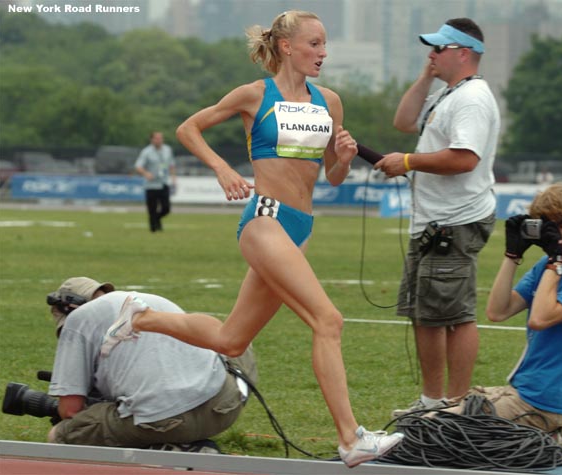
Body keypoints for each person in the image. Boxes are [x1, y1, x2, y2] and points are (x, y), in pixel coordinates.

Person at [100, 10, 403, 468]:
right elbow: (189, 129)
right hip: (265, 220)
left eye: (325, 45)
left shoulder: (330, 102)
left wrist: (341, 158)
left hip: (299, 228)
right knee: (329, 320)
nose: (323, 53)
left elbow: (334, 178)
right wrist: (223, 167)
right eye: (314, 44)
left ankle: (139, 319)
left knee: (230, 340)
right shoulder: (255, 94)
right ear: (287, 47)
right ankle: (351, 438)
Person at [374, 18, 500, 416]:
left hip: (454, 220)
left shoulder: (472, 98)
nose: (430, 54)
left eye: (438, 49)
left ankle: (456, 405)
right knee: (424, 313)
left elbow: (465, 158)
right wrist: (426, 75)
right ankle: (432, 401)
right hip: (434, 220)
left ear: (463, 53)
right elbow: (403, 121)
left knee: (454, 315)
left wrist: (408, 160)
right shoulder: (449, 93)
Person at [441, 183, 562, 442]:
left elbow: (540, 319)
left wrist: (554, 262)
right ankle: (540, 435)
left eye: (548, 223)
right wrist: (512, 255)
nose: (541, 230)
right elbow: (497, 311)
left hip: (544, 403)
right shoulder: (546, 267)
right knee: (435, 415)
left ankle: (546, 433)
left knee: (437, 427)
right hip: (521, 393)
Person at [46, 277, 257, 451]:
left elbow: (71, 411)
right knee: (237, 342)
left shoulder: (77, 320)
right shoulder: (149, 300)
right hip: (224, 408)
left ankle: (170, 448)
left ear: (66, 310)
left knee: (60, 435)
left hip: (164, 423)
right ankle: (187, 442)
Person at [135, 131, 177, 232]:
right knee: (152, 209)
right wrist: (146, 174)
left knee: (166, 208)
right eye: (157, 138)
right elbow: (138, 166)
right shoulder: (146, 152)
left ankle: (156, 219)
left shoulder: (167, 150)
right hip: (151, 185)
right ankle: (153, 230)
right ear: (152, 139)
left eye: (160, 138)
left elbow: (171, 164)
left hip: (163, 182)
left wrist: (173, 177)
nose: (159, 140)